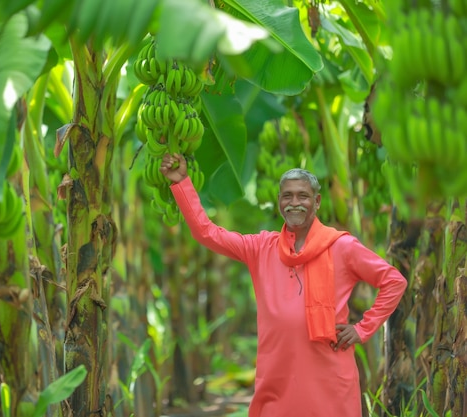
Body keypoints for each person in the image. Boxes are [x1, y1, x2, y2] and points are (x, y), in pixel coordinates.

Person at [159, 153, 408, 417]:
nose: (294, 203)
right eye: (287, 196)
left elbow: (394, 281)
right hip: (277, 380)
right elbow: (207, 233)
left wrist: (362, 329)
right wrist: (181, 182)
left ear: (317, 201)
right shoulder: (260, 247)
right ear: (279, 202)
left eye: (303, 196)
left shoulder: (342, 246)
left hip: (330, 380)